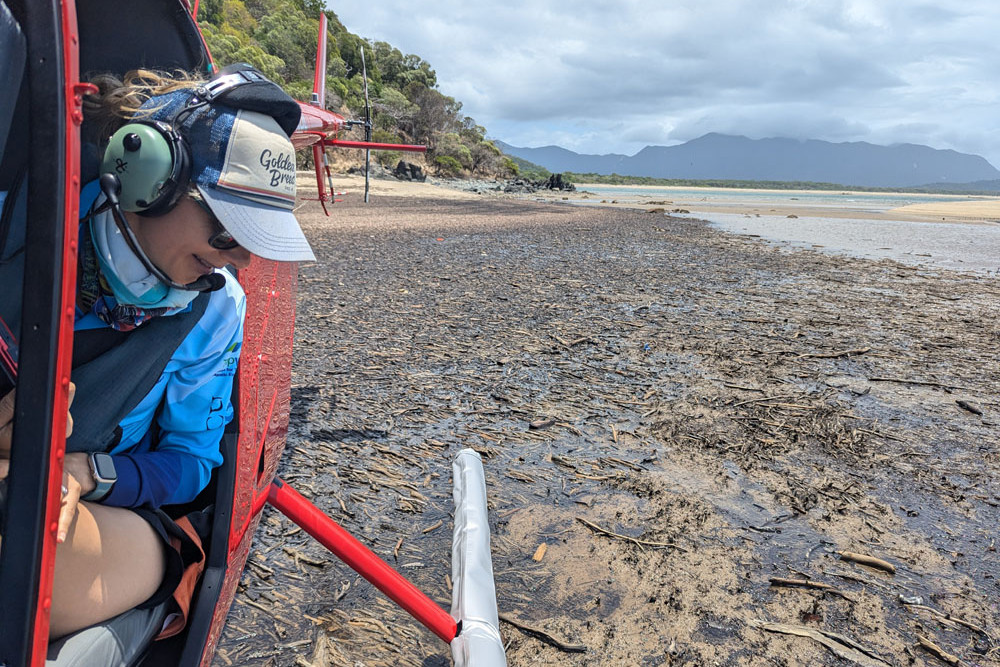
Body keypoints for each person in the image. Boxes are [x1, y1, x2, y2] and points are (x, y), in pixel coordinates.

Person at [0, 66, 314, 640]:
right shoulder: (16, 224)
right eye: (228, 232)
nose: (241, 260)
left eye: (257, 242)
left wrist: (86, 472)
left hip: (102, 514)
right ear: (147, 175)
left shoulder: (215, 310)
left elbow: (193, 463)